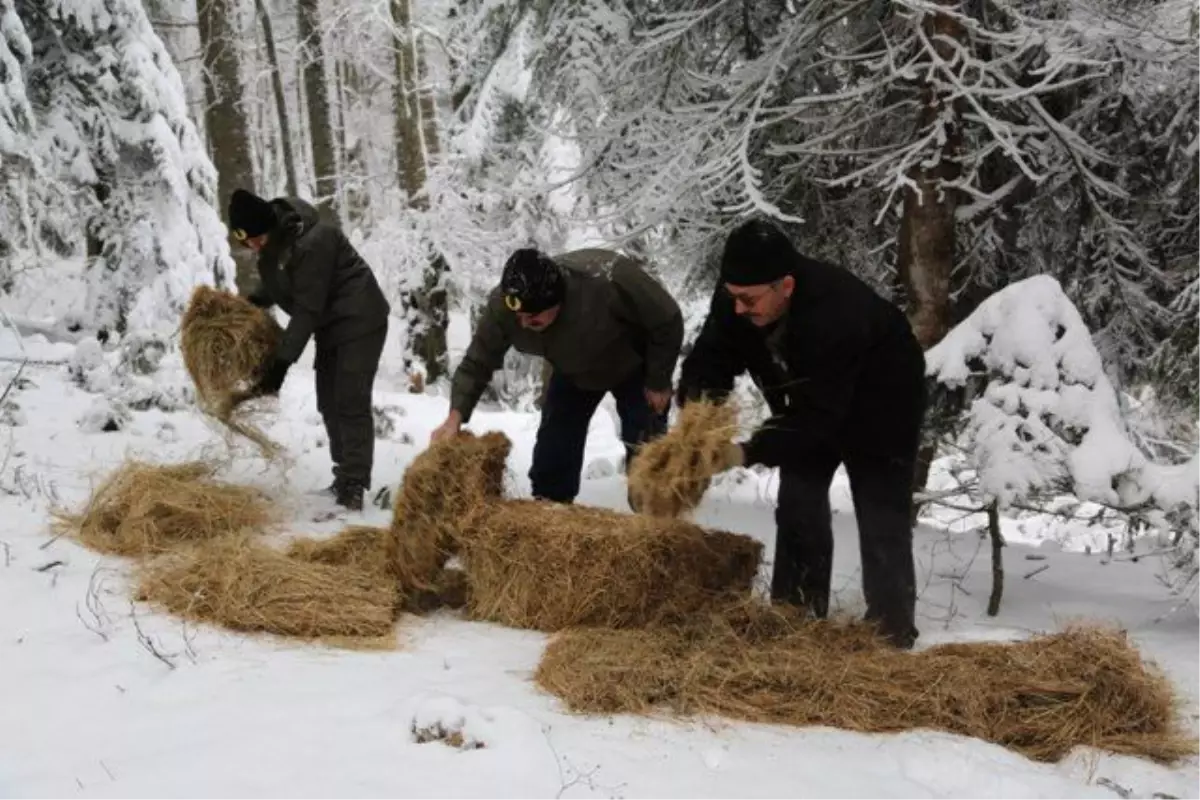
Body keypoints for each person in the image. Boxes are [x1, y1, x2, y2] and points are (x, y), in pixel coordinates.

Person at [676, 219, 927, 649]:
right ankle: (796, 617)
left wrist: (743, 453)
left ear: (786, 286)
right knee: (798, 500)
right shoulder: (740, 298)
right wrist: (697, 415)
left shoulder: (836, 314)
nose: (738, 309)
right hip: (809, 404)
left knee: (881, 512)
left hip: (884, 405)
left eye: (749, 300)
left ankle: (890, 631)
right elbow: (711, 357)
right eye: (732, 297)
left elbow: (817, 419)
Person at [431, 247, 683, 505]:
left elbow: (668, 319)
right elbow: (477, 361)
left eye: (533, 318)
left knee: (647, 448)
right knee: (554, 443)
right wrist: (455, 417)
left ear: (557, 302)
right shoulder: (504, 308)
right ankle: (551, 507)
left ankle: (653, 515)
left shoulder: (609, 278)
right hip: (572, 369)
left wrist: (658, 380)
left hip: (634, 364)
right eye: (518, 316)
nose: (524, 324)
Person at [227, 188, 391, 511]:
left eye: (256, 238)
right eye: (247, 242)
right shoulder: (274, 243)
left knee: (349, 398)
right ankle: (343, 476)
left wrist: (281, 365)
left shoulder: (315, 241)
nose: (253, 246)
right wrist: (253, 301)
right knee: (328, 401)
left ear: (268, 225)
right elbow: (284, 282)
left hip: (360, 319)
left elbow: (306, 309)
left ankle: (354, 485)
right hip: (329, 326)